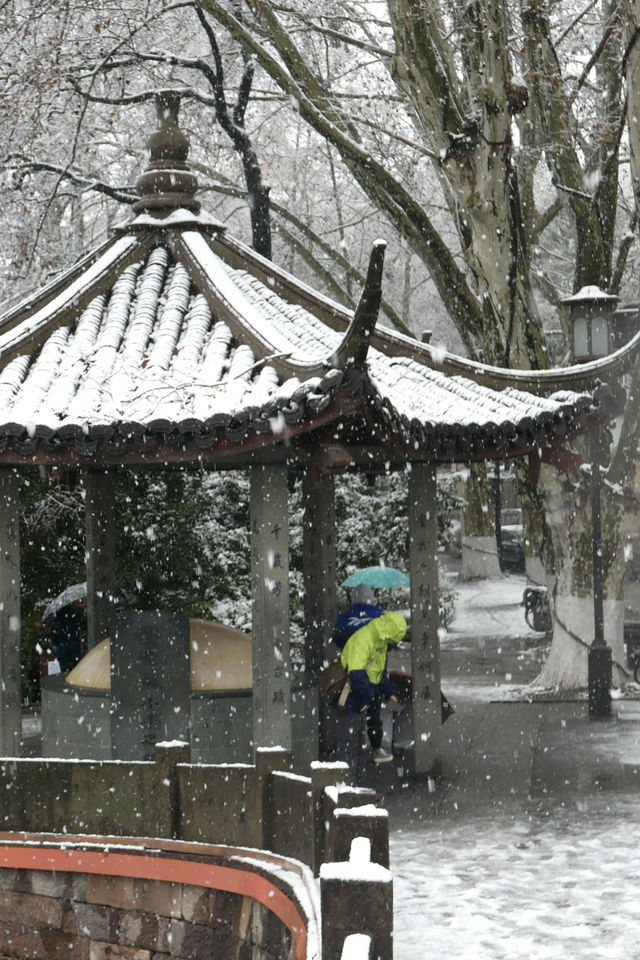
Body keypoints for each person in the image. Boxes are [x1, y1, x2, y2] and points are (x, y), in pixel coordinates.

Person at [339, 611, 406, 764]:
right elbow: (355, 673)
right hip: (352, 690)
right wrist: (369, 697)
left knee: (371, 724)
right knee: (351, 735)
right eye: (392, 640)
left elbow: (379, 672)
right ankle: (347, 776)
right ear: (387, 633)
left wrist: (390, 693)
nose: (392, 645)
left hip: (367, 689)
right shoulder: (364, 639)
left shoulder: (381, 642)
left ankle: (373, 751)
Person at [332, 584, 382, 650]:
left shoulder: (343, 618)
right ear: (371, 598)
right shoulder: (380, 617)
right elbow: (391, 642)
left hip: (351, 658)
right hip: (376, 658)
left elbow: (337, 640)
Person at [52, 598, 87, 672]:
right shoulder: (64, 613)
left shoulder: (80, 613)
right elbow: (60, 631)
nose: (79, 602)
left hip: (76, 651)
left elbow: (84, 627)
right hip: (66, 652)